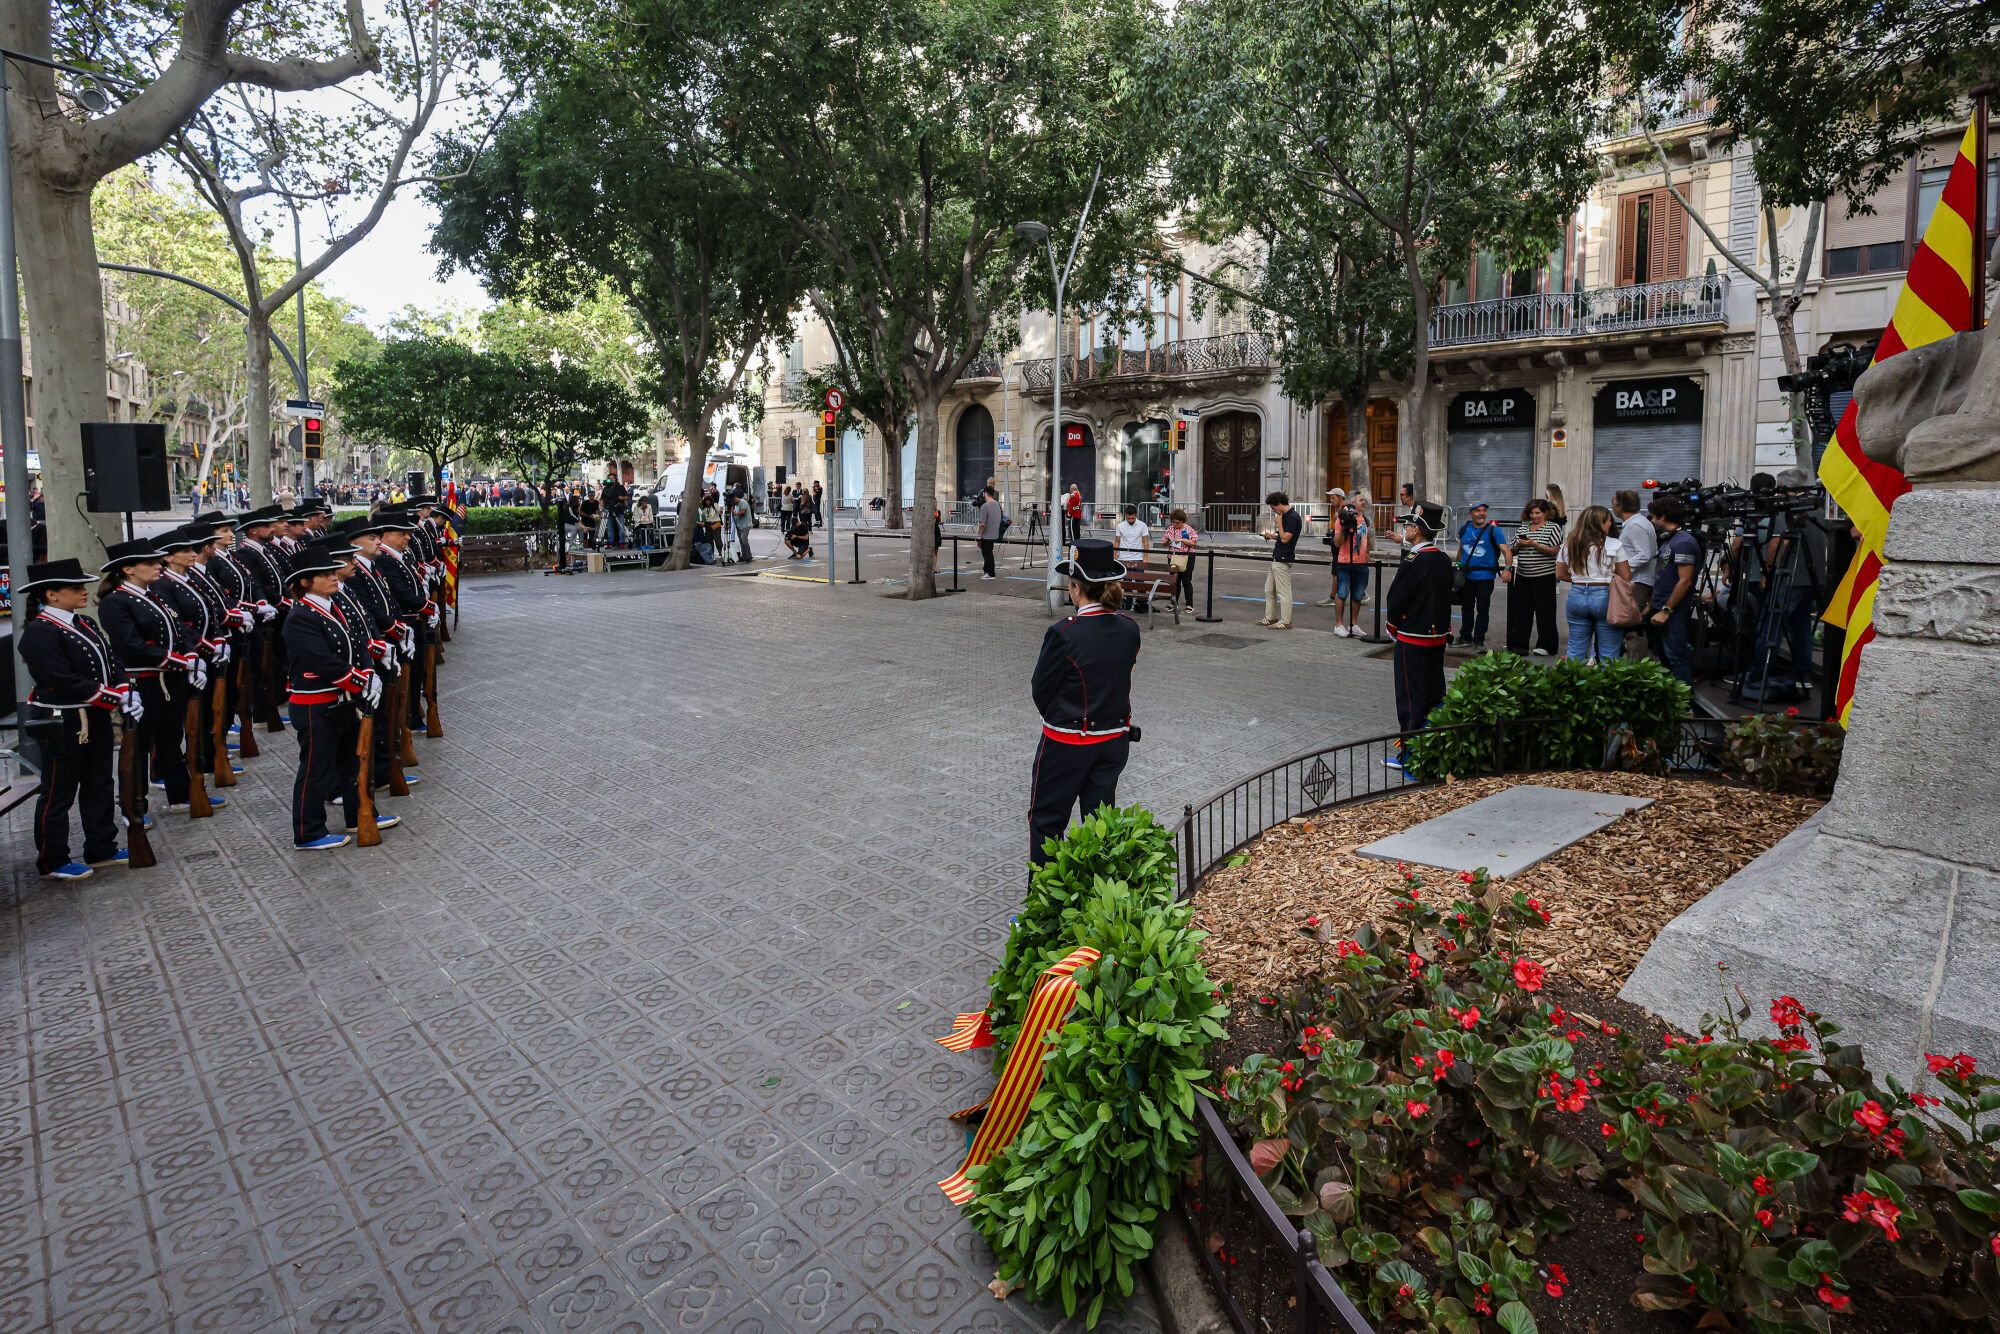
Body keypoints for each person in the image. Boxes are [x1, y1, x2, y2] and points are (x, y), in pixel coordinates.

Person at [18, 558, 135, 878]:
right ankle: (52, 859)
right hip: (64, 720)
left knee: (99, 781)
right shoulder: (38, 632)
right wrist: (113, 697)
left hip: (93, 715)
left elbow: (112, 659)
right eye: (75, 587)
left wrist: (125, 688)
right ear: (51, 595)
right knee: (59, 789)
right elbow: (62, 679)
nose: (84, 592)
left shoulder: (83, 622)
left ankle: (101, 847)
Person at [1028, 539, 1141, 864]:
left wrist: (1062, 717)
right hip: (1113, 740)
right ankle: (1097, 903)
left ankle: (1045, 911)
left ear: (1076, 588)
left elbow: (1040, 688)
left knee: (1047, 823)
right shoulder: (1128, 629)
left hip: (1067, 743)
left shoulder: (1064, 632)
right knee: (1100, 826)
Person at [282, 544, 382, 850]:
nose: (333, 576)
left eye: (331, 571)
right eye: (324, 574)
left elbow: (356, 641)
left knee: (351, 763)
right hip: (316, 704)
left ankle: (357, 815)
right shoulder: (300, 617)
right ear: (305, 582)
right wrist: (360, 680)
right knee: (316, 769)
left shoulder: (332, 605)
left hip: (341, 699)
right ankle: (308, 832)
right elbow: (322, 662)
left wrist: (369, 672)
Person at [99, 538, 202, 818]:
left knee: (171, 738)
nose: (158, 566)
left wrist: (191, 655)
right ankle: (134, 806)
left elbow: (178, 628)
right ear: (129, 569)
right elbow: (131, 645)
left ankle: (180, 794)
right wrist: (178, 660)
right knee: (140, 746)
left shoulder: (151, 595)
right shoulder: (115, 603)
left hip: (170, 678)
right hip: (142, 681)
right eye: (149, 563)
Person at [1384, 503, 1454, 771]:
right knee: (1434, 692)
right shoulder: (1442, 558)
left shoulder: (1415, 560)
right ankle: (1434, 746)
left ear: (1417, 530)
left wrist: (1392, 626)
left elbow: (1397, 598)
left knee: (1411, 697)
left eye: (1409, 526)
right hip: (1436, 636)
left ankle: (1410, 755)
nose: (1406, 529)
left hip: (1412, 636)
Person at [1556, 505, 1630, 663]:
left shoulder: (1568, 544)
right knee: (1609, 653)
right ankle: (1604, 686)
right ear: (1600, 523)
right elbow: (1626, 576)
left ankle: (1572, 684)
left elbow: (1560, 574)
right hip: (1605, 597)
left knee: (1575, 650)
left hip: (1576, 595)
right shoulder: (1614, 544)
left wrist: (1581, 579)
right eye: (1608, 521)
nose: (1610, 524)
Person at [1647, 496, 1701, 683]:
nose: (1652, 521)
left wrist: (1666, 610)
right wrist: (1652, 603)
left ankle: (1684, 704)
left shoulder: (1683, 542)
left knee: (1676, 656)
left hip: (1673, 610)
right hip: (1662, 606)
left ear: (1663, 517)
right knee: (1665, 656)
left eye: (1653, 517)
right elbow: (1663, 575)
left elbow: (1684, 581)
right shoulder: (1671, 540)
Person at [1504, 499, 1563, 656]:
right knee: (1522, 611)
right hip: (1523, 574)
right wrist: (1518, 546)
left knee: (1545, 611)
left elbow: (1554, 550)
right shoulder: (1523, 527)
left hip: (1544, 575)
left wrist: (1534, 544)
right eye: (1531, 513)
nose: (1534, 516)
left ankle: (1546, 645)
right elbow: (1512, 550)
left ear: (1545, 513)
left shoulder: (1553, 527)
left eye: (1537, 513)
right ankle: (1520, 644)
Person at [1453, 503, 1504, 649]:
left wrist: (1507, 569)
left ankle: (1479, 640)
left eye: (1484, 511)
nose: (1481, 513)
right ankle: (1465, 637)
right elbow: (1461, 550)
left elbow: (1506, 551)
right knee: (1466, 608)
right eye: (1477, 511)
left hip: (1485, 577)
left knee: (1483, 609)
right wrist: (1457, 568)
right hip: (1467, 577)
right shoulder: (1464, 529)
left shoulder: (1494, 531)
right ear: (1471, 514)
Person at [1255, 491, 1302, 629]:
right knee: (1269, 590)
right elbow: (1282, 537)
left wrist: (1279, 524)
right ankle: (1270, 618)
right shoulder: (1286, 516)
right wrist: (1272, 536)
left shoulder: (1293, 517)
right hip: (1277, 557)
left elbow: (1286, 538)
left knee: (1283, 591)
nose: (1273, 511)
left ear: (1280, 504)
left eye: (1273, 508)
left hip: (1284, 557)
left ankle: (1285, 621)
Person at [1613, 488, 1658, 622]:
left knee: (1628, 621)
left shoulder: (1635, 525)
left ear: (1621, 506)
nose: (1612, 508)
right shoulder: (1635, 523)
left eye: (1614, 504)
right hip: (1636, 581)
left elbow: (1644, 554)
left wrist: (1622, 567)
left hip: (1638, 582)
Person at [1330, 496, 1371, 638]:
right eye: (1361, 500)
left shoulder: (1364, 518)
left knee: (1358, 594)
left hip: (1361, 563)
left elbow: (1366, 538)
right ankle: (1338, 625)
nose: (1364, 502)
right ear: (1352, 503)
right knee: (1342, 593)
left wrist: (1368, 554)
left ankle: (1353, 625)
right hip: (1345, 562)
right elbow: (1337, 543)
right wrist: (1345, 527)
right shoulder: (1343, 518)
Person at [1162, 508, 1198, 608]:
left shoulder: (1189, 530)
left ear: (1182, 521)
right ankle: (1173, 602)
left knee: (1186, 581)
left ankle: (1189, 604)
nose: (1174, 524)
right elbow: (1163, 542)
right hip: (1172, 557)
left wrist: (1181, 540)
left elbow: (1194, 542)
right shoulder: (1170, 529)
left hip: (1187, 557)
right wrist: (1168, 541)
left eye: (1177, 522)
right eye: (1173, 522)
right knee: (1174, 581)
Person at [974, 486, 1005, 580]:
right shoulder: (996, 504)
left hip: (986, 535)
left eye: (983, 493)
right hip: (994, 533)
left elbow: (982, 524)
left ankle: (990, 573)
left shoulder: (985, 506)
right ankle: (987, 571)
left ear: (985, 493)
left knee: (987, 554)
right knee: (989, 553)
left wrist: (979, 536)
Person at [731, 488, 753, 562]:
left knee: (744, 539)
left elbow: (743, 512)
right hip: (739, 525)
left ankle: (749, 555)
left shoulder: (742, 502)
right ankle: (744, 556)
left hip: (746, 524)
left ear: (735, 498)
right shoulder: (736, 505)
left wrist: (735, 513)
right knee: (741, 541)